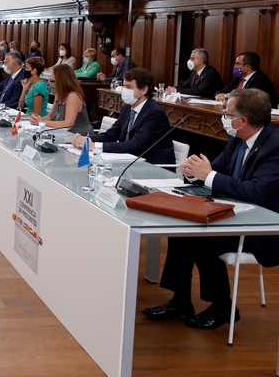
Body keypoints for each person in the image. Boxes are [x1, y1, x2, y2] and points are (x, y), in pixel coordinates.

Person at [142, 88, 279, 330]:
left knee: (200, 242)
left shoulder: (275, 146)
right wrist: (195, 173)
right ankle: (181, 301)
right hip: (233, 214)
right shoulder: (238, 138)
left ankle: (223, 307)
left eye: (227, 114)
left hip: (263, 229)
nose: (224, 119)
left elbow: (257, 192)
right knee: (180, 234)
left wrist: (209, 176)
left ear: (243, 120)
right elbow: (216, 169)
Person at [72, 68, 175, 164]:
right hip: (128, 161)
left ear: (143, 90)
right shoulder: (127, 108)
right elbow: (111, 135)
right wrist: (87, 139)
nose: (124, 91)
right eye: (124, 86)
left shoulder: (154, 114)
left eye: (129, 87)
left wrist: (95, 146)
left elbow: (133, 145)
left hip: (151, 167)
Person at [30, 64, 92, 134]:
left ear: (61, 81)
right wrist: (38, 119)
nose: (51, 84)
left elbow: (68, 124)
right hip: (63, 135)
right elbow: (50, 116)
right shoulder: (59, 95)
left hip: (79, 137)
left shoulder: (73, 96)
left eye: (53, 81)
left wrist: (42, 122)